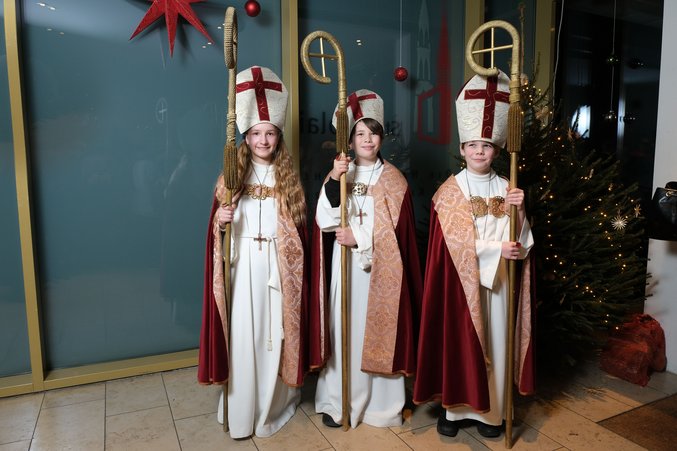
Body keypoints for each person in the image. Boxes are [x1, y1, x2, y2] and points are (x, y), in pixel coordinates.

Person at [413, 70, 535, 438]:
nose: (479, 151)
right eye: (473, 145)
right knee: (460, 344)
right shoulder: (449, 192)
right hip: (460, 289)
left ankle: (491, 414)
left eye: (487, 145)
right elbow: (451, 248)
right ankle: (454, 411)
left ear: (497, 150)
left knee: (496, 344)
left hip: (498, 284)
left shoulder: (507, 187)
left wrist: (521, 212)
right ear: (462, 149)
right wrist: (499, 248)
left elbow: (524, 241)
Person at [198, 66, 313, 438]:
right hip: (242, 266)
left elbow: (299, 233)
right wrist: (222, 221)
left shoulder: (288, 180)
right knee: (244, 338)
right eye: (257, 134)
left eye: (270, 134)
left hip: (277, 269)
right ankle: (241, 408)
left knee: (274, 335)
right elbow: (216, 234)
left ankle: (273, 402)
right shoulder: (230, 179)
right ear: (245, 137)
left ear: (279, 137)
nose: (263, 141)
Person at [312, 89, 422, 428]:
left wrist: (358, 237)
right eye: (359, 132)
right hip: (345, 268)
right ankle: (339, 400)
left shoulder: (394, 179)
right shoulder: (339, 174)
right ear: (349, 138)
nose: (367, 139)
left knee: (374, 332)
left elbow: (397, 233)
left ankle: (380, 405)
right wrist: (334, 179)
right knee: (344, 328)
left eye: (373, 132)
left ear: (381, 137)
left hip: (379, 271)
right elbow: (325, 219)